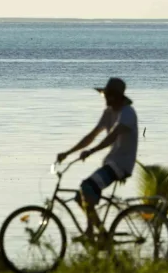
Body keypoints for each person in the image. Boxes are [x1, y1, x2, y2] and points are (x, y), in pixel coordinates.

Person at [57, 77, 138, 240]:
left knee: (87, 186)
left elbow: (113, 136)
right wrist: (68, 152)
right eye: (104, 95)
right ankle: (97, 233)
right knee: (80, 196)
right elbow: (92, 135)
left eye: (108, 95)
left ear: (115, 97)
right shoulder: (109, 113)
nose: (105, 99)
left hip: (121, 165)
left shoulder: (127, 113)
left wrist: (91, 151)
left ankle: (94, 233)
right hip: (111, 163)